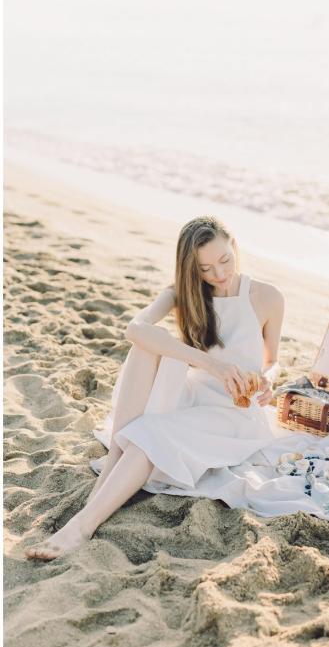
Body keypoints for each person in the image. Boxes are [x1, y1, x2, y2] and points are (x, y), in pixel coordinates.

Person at [25, 215, 285, 560]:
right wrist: (211, 363)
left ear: (234, 247)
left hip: (234, 412)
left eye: (225, 260)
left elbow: (272, 361)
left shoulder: (267, 297)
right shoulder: (186, 294)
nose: (219, 274)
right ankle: (117, 458)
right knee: (147, 344)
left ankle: (81, 527)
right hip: (194, 394)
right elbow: (135, 328)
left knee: (150, 434)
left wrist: (268, 380)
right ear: (192, 268)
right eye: (205, 268)